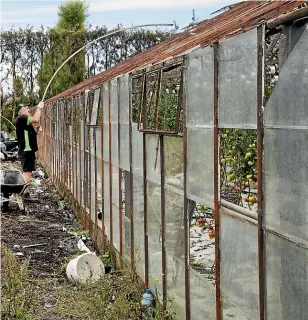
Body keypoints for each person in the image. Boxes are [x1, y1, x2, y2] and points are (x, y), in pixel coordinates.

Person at [15, 102, 44, 196]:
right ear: (21, 111)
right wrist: (39, 108)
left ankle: (25, 191)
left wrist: (36, 131)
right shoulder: (22, 118)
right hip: (26, 150)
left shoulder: (23, 120)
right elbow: (35, 119)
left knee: (27, 171)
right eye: (26, 107)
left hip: (26, 150)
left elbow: (27, 134)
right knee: (28, 171)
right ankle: (24, 192)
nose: (28, 108)